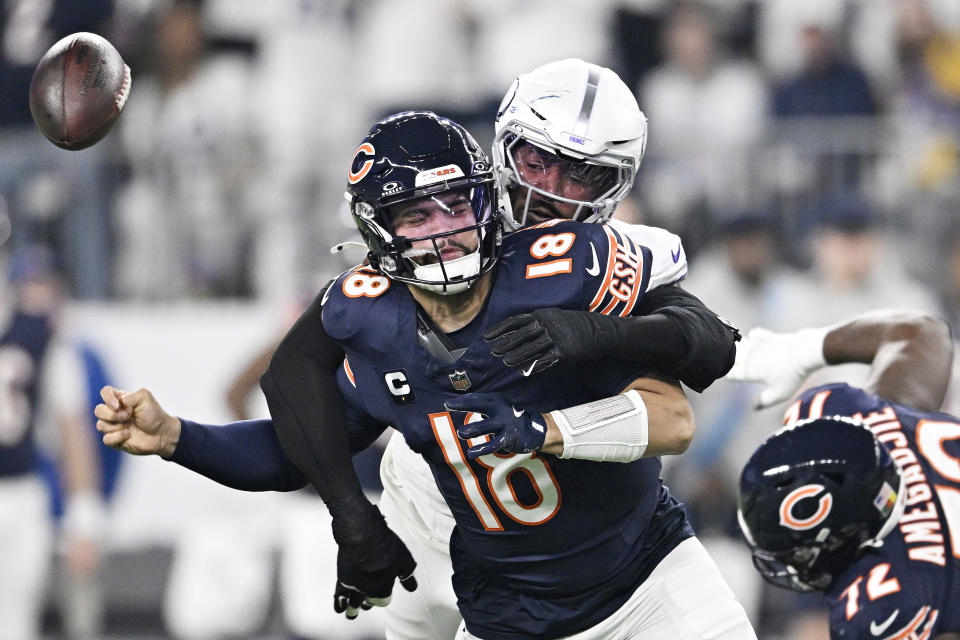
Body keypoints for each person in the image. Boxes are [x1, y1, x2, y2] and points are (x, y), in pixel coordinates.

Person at [98, 110, 755, 639]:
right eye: (416, 215)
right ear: (378, 234)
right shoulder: (376, 330)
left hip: (650, 580)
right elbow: (294, 449)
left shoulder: (562, 272)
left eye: (455, 206)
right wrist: (177, 438)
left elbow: (675, 418)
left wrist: (548, 426)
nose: (443, 231)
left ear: (488, 206)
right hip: (509, 619)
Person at [271, 59, 745, 639]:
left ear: (615, 184)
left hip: (608, 532)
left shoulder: (605, 254)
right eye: (538, 162)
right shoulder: (439, 217)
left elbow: (709, 345)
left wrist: (596, 332)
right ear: (502, 149)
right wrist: (350, 516)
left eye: (583, 176)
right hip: (448, 479)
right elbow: (299, 365)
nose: (551, 192)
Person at [730, 309, 960, 639]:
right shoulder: (856, 421)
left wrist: (801, 350)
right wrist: (801, 350)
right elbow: (923, 334)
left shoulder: (886, 604)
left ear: (851, 534)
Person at [0, 245, 106, 640]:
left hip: (20, 496)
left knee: (14, 627)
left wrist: (84, 517)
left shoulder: (41, 333)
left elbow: (72, 430)